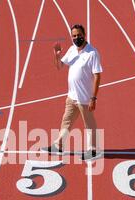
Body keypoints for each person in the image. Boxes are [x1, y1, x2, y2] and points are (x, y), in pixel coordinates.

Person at [42, 24, 103, 161]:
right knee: (66, 121)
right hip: (71, 96)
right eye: (74, 36)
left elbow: (97, 76)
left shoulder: (92, 53)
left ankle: (93, 150)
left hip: (85, 98)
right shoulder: (72, 49)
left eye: (78, 35)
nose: (76, 38)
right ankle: (59, 145)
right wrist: (56, 55)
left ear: (84, 35)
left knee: (89, 124)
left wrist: (93, 98)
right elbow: (59, 66)